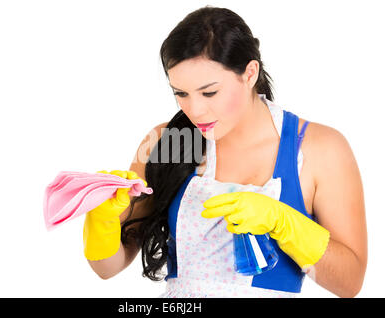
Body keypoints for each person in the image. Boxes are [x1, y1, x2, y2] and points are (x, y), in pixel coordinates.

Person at [83, 5, 367, 298]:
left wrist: (284, 223)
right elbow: (107, 268)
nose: (195, 110)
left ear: (250, 73)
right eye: (180, 93)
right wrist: (102, 220)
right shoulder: (165, 141)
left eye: (209, 93)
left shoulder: (318, 149)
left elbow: (350, 283)